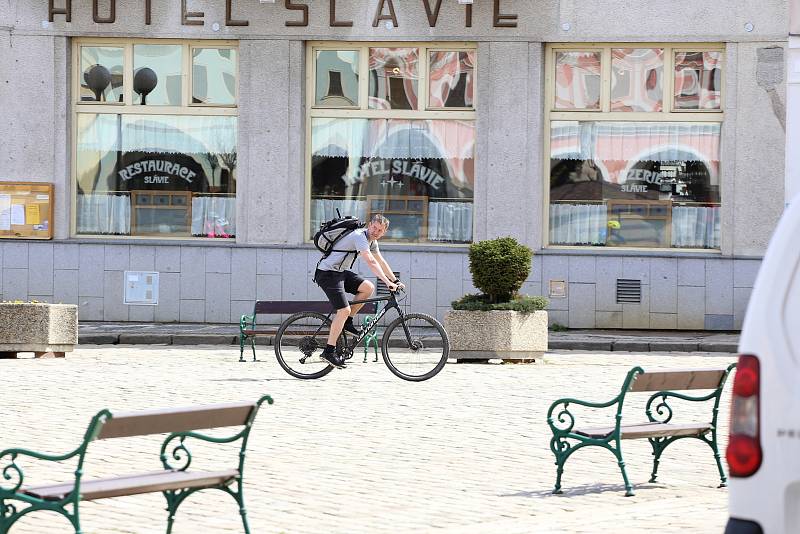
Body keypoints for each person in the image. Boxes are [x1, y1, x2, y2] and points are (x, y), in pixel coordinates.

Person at [314, 214, 404, 368]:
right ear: (369, 225)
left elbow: (381, 261)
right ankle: (328, 352)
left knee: (368, 288)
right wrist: (387, 282)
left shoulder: (372, 241)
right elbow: (370, 261)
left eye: (380, 230)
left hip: (339, 272)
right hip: (327, 273)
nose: (375, 232)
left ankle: (347, 323)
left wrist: (395, 280)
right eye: (374, 227)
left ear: (383, 233)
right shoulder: (359, 236)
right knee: (343, 310)